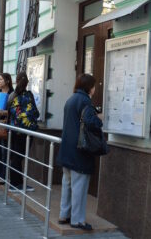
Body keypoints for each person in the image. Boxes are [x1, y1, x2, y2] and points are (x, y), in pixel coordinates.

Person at [57, 74, 102, 231]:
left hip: (67, 150)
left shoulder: (71, 99)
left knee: (67, 184)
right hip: (79, 152)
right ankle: (78, 220)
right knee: (79, 188)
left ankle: (64, 215)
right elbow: (91, 123)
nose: (95, 89)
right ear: (89, 87)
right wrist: (99, 118)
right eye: (94, 86)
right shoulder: (85, 101)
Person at [7, 72, 39, 192]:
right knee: (18, 157)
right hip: (27, 130)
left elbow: (10, 113)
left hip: (15, 130)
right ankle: (16, 184)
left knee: (15, 156)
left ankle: (16, 183)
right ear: (27, 82)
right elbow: (35, 112)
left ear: (17, 80)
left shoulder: (12, 95)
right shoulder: (29, 95)